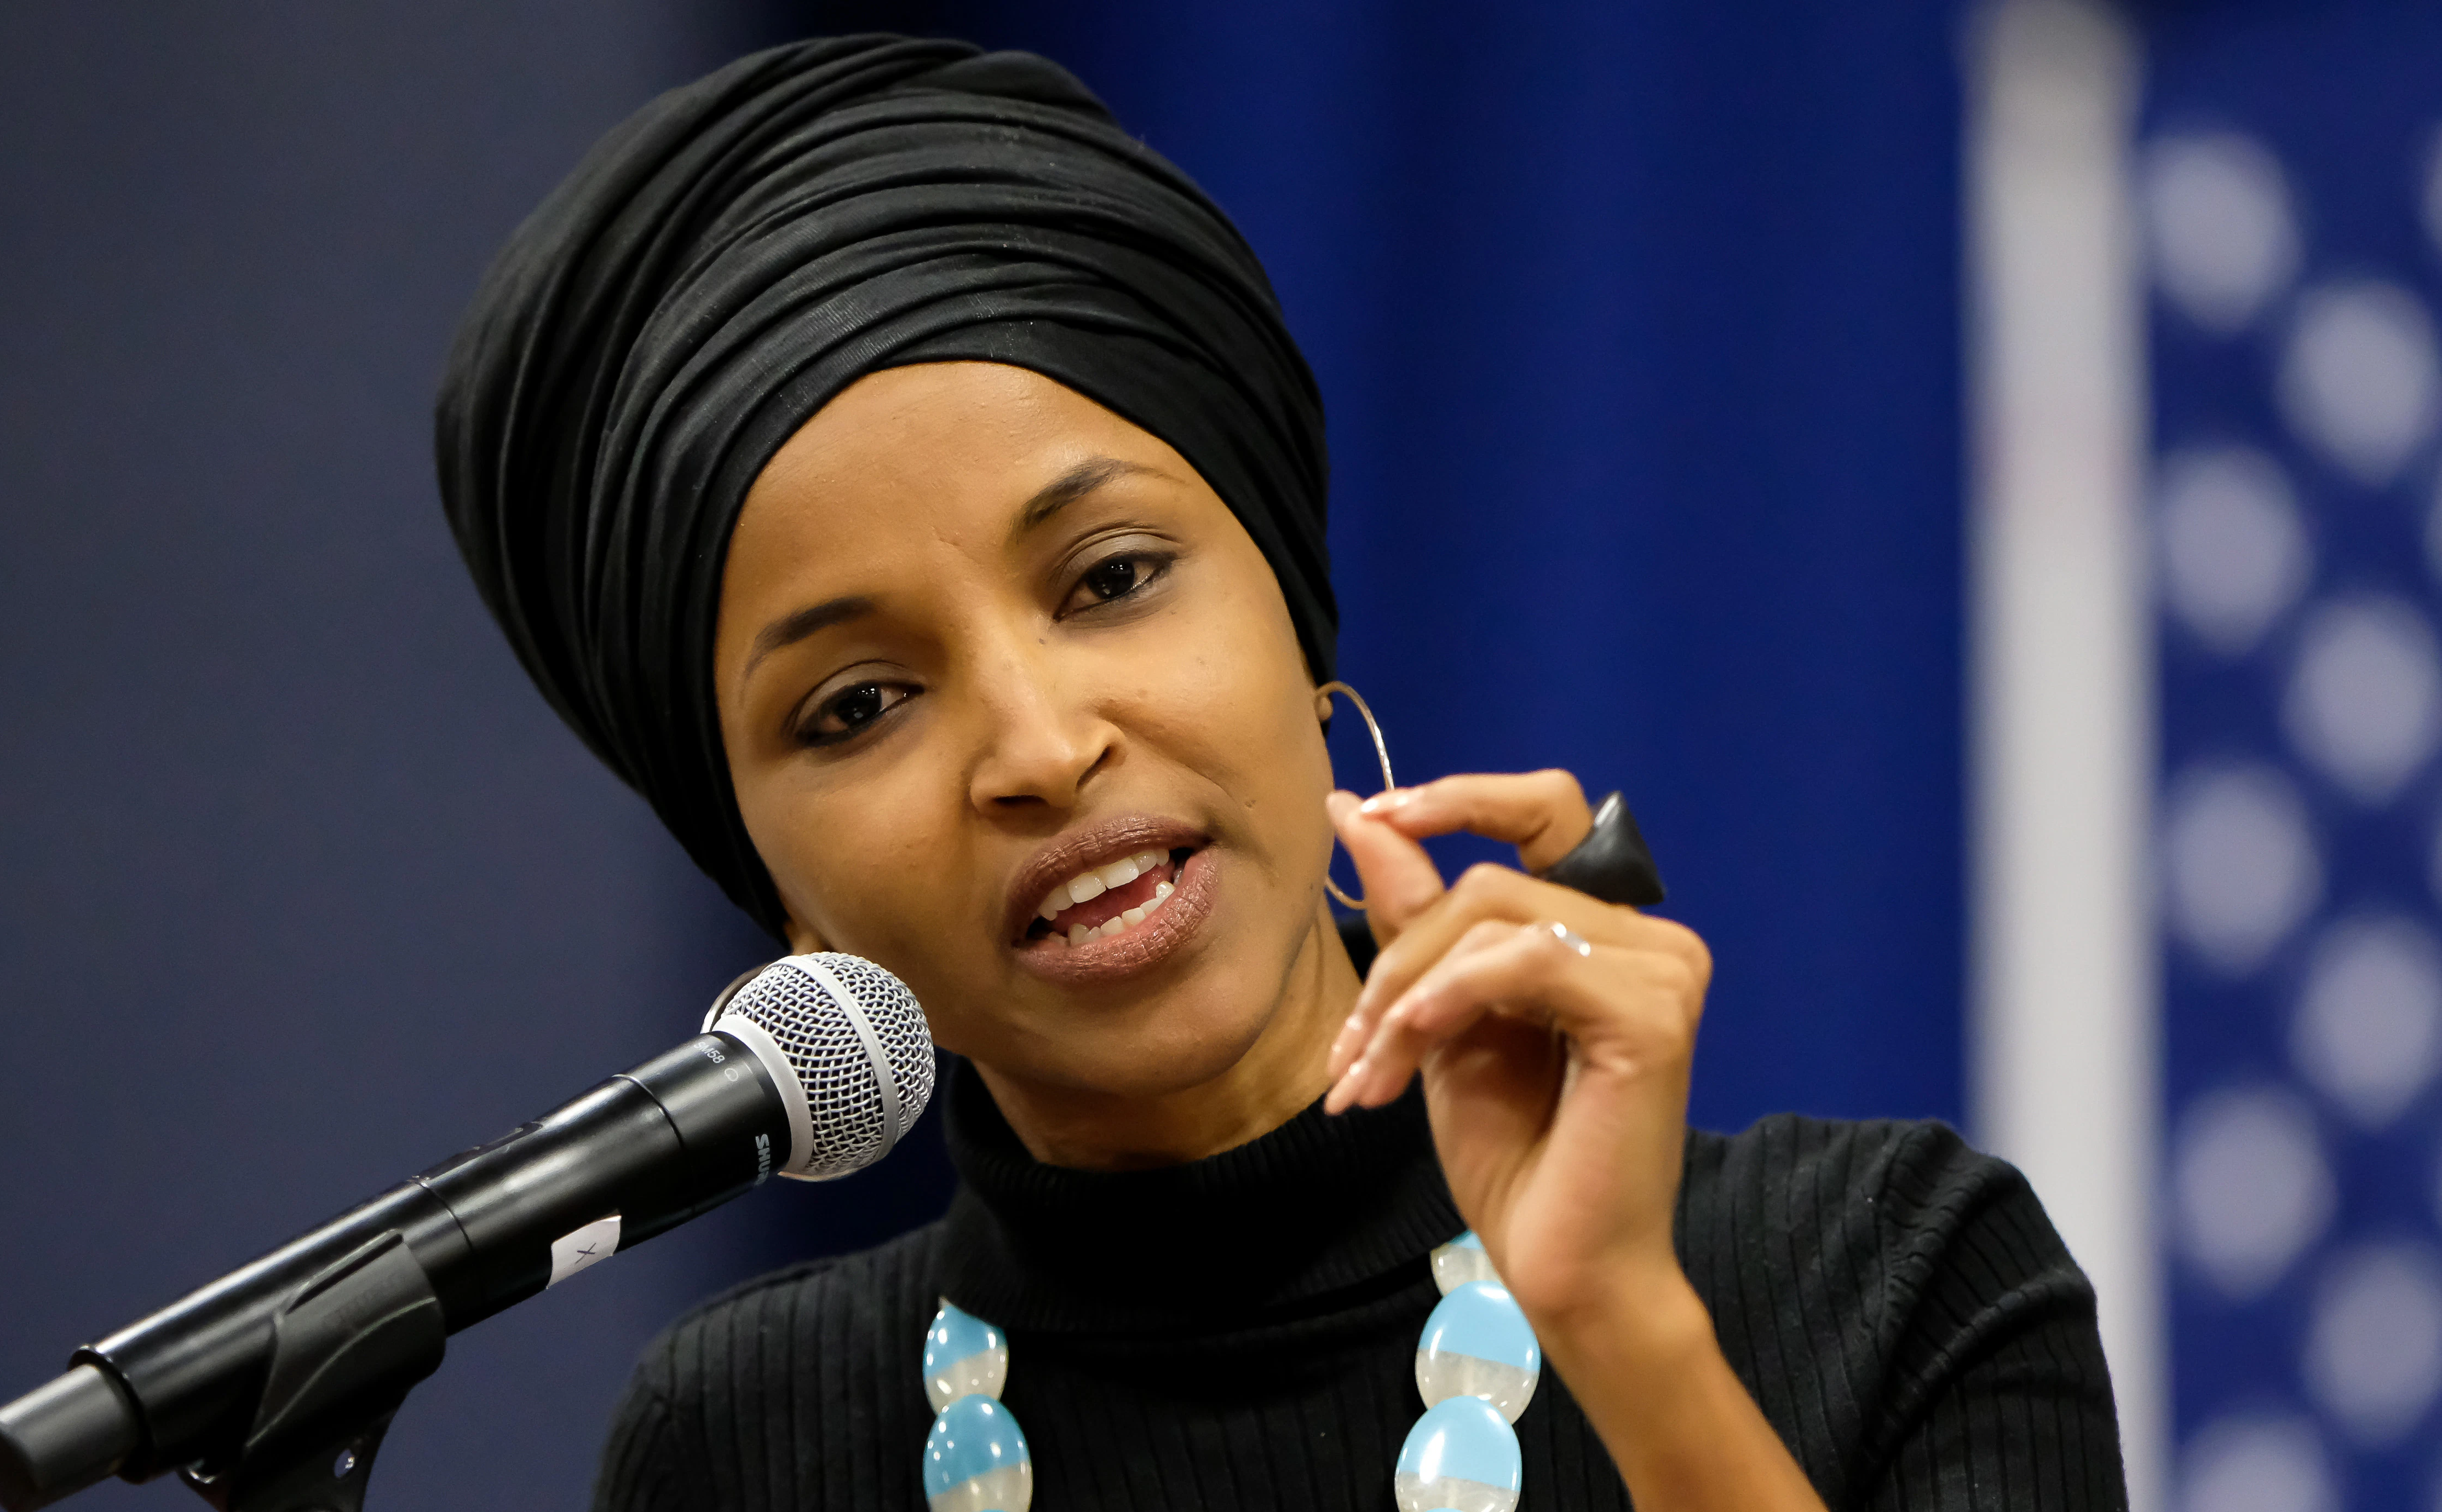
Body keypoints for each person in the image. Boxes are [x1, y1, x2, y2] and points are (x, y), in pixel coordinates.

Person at [435, 34, 2125, 1512]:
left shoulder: (1890, 1277)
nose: (1037, 749)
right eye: (860, 704)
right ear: (772, 884)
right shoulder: (747, 1445)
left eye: (1107, 580)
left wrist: (1621, 1326)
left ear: (1295, 624)